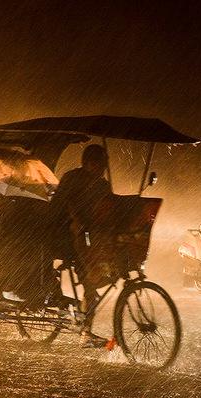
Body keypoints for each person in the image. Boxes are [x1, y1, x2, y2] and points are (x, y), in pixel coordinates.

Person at [50, 144, 113, 348]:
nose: (102, 169)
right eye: (99, 164)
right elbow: (58, 206)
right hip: (65, 236)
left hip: (90, 239)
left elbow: (108, 210)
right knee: (90, 282)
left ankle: (85, 322)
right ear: (88, 163)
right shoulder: (72, 178)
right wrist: (74, 219)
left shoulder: (102, 185)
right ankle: (85, 332)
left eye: (104, 165)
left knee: (97, 280)